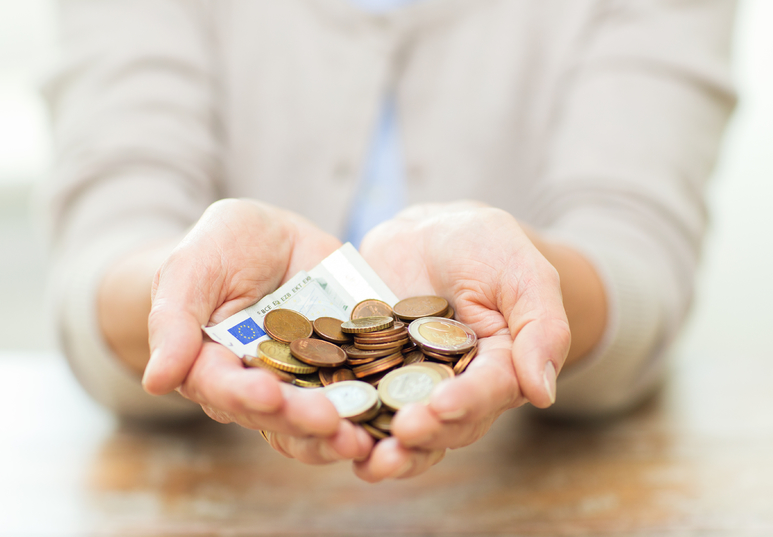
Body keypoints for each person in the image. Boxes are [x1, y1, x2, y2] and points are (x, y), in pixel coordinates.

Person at [38, 0, 736, 482]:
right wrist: (178, 285)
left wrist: (532, 283)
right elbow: (106, 235)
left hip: (536, 498)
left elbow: (638, 262)